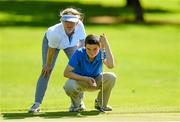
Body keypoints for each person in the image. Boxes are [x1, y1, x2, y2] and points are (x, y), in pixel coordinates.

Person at [28, 8, 86, 113]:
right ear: (62, 21)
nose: (69, 24)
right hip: (52, 44)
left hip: (70, 44)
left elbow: (82, 44)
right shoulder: (54, 33)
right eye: (66, 22)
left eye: (72, 22)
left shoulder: (80, 26)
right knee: (46, 71)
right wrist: (47, 64)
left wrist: (80, 62)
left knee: (79, 69)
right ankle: (36, 103)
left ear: (77, 21)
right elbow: (51, 50)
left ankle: (79, 103)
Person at [63, 34, 116, 112]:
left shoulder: (101, 52)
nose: (92, 52)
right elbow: (66, 73)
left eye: (95, 49)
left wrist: (106, 44)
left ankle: (101, 104)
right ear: (85, 47)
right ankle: (77, 105)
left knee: (112, 77)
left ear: (99, 47)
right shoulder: (79, 53)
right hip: (81, 82)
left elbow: (111, 65)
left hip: (96, 81)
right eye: (88, 49)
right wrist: (86, 78)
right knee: (69, 85)